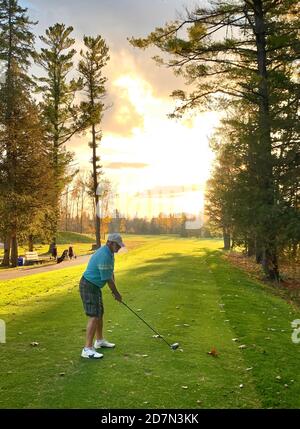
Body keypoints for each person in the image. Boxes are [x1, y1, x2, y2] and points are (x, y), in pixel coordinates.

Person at [79, 233, 124, 359]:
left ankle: (99, 341)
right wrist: (116, 294)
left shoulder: (110, 253)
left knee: (99, 313)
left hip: (94, 286)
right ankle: (87, 349)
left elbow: (111, 272)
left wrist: (115, 292)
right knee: (94, 316)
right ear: (110, 242)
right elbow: (108, 279)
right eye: (118, 245)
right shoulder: (104, 255)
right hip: (88, 285)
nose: (119, 248)